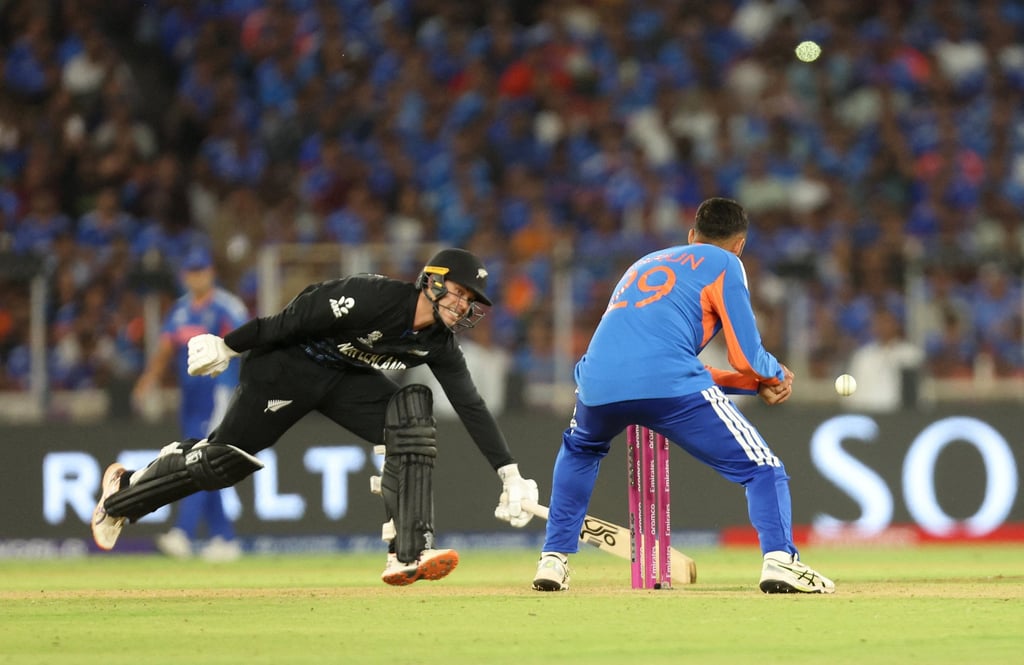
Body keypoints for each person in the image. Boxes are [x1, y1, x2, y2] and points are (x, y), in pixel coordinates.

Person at [93, 247, 539, 586]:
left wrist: (509, 474)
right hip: (285, 367)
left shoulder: (439, 343)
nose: (463, 306)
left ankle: (407, 550)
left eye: (470, 301)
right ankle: (124, 494)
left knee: (411, 414)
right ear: (432, 282)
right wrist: (229, 346)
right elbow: (289, 321)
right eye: (460, 293)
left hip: (342, 378)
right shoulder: (371, 297)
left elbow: (470, 404)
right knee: (222, 462)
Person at [531, 198, 835, 594]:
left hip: (596, 381)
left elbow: (653, 356)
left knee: (581, 450)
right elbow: (745, 356)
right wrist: (775, 374)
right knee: (762, 468)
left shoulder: (643, 263)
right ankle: (780, 561)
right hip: (668, 386)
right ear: (740, 244)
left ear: (691, 236)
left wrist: (751, 385)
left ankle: (553, 561)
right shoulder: (726, 263)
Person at [132, 245, 250, 562]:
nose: (197, 278)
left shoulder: (227, 307)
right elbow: (165, 349)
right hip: (191, 397)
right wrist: (148, 380)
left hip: (219, 392)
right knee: (201, 460)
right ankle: (224, 537)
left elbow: (247, 343)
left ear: (210, 273)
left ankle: (183, 533)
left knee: (198, 458)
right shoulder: (180, 311)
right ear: (186, 276)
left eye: (202, 271)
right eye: (192, 272)